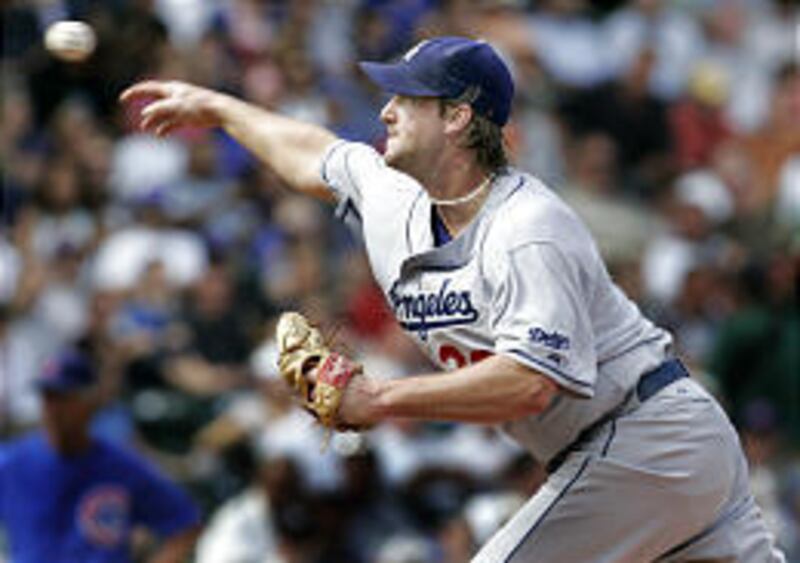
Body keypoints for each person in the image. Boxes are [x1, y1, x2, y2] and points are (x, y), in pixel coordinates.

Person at [121, 36, 786, 561]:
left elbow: (529, 384)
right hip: (635, 452)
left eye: (405, 98)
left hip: (643, 436)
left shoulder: (528, 229)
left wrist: (377, 398)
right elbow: (312, 153)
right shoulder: (391, 194)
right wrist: (219, 108)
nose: (385, 110)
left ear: (457, 116)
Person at [0, 348, 201, 562]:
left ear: (88, 401)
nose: (53, 410)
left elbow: (186, 525)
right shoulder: (12, 464)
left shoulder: (120, 466)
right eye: (48, 398)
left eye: (63, 399)